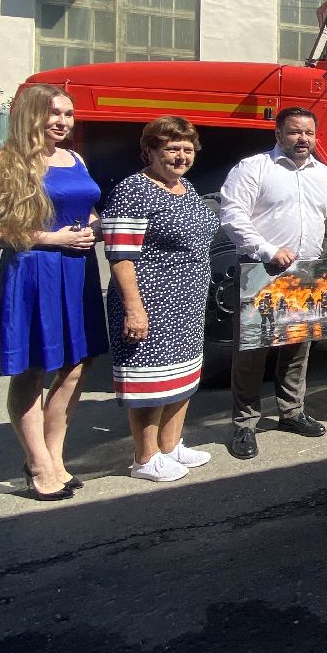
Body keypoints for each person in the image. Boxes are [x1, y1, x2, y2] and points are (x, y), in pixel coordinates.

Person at [0, 84, 107, 501]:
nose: (63, 121)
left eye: (68, 113)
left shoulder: (75, 157)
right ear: (31, 115)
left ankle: (54, 457)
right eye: (54, 114)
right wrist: (50, 239)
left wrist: (97, 228)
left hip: (77, 270)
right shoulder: (4, 160)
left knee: (77, 366)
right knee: (32, 370)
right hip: (33, 271)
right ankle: (39, 464)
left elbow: (86, 209)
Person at [219, 106, 327, 459]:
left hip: (308, 273)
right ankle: (244, 424)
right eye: (294, 132)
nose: (302, 139)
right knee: (252, 353)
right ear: (278, 135)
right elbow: (232, 215)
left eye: (308, 133)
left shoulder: (325, 175)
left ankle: (291, 412)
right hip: (263, 270)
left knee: (297, 348)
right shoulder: (253, 168)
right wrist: (268, 249)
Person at [100, 116, 219, 482]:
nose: (181, 156)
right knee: (149, 384)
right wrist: (134, 309)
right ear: (150, 150)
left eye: (187, 149)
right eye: (171, 149)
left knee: (181, 378)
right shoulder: (133, 190)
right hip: (150, 301)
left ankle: (170, 446)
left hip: (187, 301)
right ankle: (145, 457)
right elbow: (120, 255)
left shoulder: (185, 187)